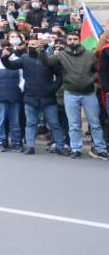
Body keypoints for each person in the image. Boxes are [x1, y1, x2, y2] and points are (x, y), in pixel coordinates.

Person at [54, 31, 107, 159]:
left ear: (79, 40)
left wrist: (91, 79)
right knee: (74, 125)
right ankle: (76, 148)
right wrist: (40, 50)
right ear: (67, 41)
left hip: (89, 94)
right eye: (70, 39)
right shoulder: (61, 55)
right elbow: (48, 64)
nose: (73, 41)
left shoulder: (89, 55)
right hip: (70, 93)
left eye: (75, 39)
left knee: (95, 123)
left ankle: (100, 148)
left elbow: (97, 70)